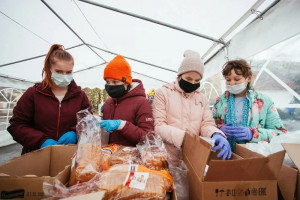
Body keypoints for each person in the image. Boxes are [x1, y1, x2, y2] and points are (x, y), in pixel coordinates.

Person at [7, 44, 91, 154]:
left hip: (68, 154)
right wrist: (41, 140)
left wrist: (75, 132)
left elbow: (88, 122)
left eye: (68, 72)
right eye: (59, 72)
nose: (64, 76)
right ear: (49, 69)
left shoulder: (80, 96)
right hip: (37, 155)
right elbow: (16, 126)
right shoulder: (33, 94)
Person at [152, 50, 231, 164]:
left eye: (197, 80)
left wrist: (215, 134)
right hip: (167, 157)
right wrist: (185, 139)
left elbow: (206, 123)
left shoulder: (201, 98)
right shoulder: (163, 93)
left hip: (192, 158)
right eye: (189, 79)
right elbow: (159, 126)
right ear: (180, 76)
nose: (193, 83)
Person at [212, 59, 287, 143]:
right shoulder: (219, 102)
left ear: (249, 78)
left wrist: (254, 134)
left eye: (237, 79)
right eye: (228, 80)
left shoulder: (264, 101)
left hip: (253, 153)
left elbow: (281, 133)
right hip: (225, 152)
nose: (232, 83)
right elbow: (208, 127)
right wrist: (218, 130)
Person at [100, 55, 154, 146]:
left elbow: (148, 139)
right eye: (107, 82)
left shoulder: (142, 102)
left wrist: (122, 125)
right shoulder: (108, 102)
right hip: (108, 155)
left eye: (115, 82)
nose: (110, 86)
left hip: (129, 158)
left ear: (126, 82)